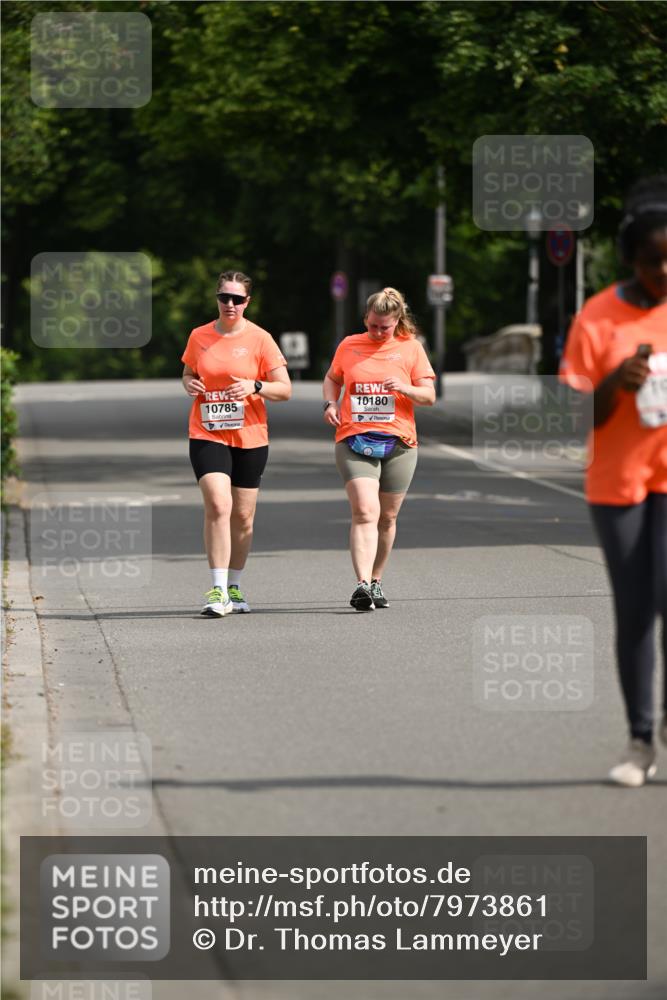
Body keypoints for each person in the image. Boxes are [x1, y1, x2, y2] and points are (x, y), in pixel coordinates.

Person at [559, 176, 667, 786]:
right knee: (636, 610)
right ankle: (640, 741)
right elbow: (579, 416)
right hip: (619, 482)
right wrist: (614, 383)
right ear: (631, 258)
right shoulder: (598, 318)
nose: (666, 271)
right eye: (654, 261)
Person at [182, 269, 291, 616]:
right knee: (218, 504)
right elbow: (188, 371)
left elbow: (284, 389)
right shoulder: (199, 336)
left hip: (250, 435)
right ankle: (216, 589)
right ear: (216, 298)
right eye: (224, 297)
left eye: (237, 299)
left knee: (243, 517)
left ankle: (234, 585)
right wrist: (189, 383)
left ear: (247, 302)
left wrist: (254, 386)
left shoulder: (261, 339)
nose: (230, 304)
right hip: (207, 430)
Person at [323, 287, 436, 610]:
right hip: (354, 439)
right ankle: (361, 585)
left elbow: (429, 396)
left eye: (384, 327)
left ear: (397, 322)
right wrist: (330, 403)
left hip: (399, 443)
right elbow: (332, 378)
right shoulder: (349, 345)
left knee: (387, 517)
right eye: (372, 325)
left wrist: (404, 387)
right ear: (365, 319)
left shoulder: (410, 349)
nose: (377, 332)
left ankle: (375, 581)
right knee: (365, 511)